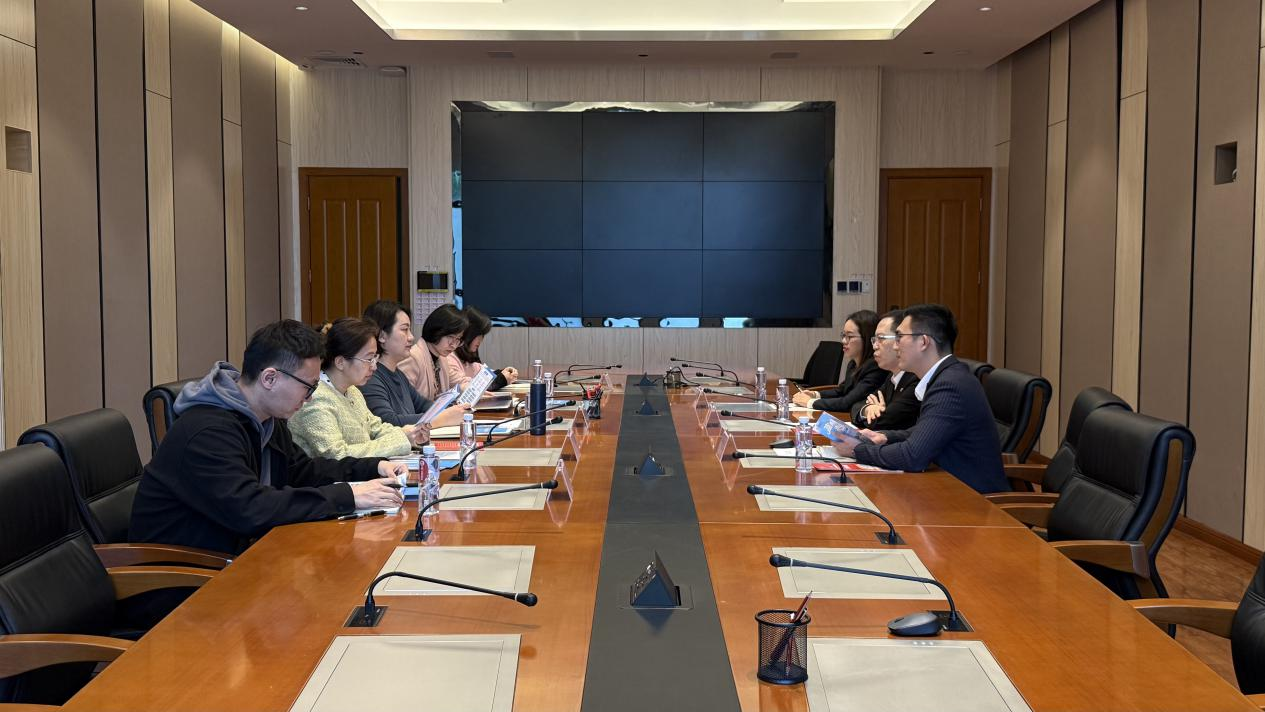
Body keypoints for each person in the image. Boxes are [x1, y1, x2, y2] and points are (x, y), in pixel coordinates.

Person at [130, 320, 406, 554]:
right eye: (308, 388)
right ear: (270, 378)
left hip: (247, 556)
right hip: (188, 578)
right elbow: (250, 508)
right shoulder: (206, 433)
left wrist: (373, 467)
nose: (310, 399)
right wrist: (349, 495)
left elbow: (303, 471)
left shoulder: (267, 420)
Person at [834, 304, 1008, 494]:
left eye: (900, 337)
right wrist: (885, 437)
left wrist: (857, 450)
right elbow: (925, 431)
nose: (895, 345)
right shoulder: (946, 376)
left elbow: (913, 456)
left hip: (972, 500)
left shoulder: (950, 385)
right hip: (946, 487)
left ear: (923, 342)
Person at [289, 317, 425, 459]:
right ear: (340, 362)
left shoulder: (352, 390)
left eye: (375, 358)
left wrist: (408, 434)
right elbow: (337, 455)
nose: (374, 366)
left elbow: (375, 428)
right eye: (368, 359)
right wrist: (399, 441)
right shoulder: (316, 398)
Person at [360, 299, 470, 428]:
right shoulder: (370, 377)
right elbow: (388, 421)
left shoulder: (398, 374)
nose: (411, 337)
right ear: (382, 336)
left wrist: (453, 411)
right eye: (404, 329)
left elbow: (423, 405)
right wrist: (442, 418)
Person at [792, 309, 885, 412]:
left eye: (849, 336)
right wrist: (815, 394)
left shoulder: (875, 367)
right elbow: (842, 390)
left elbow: (846, 403)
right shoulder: (853, 364)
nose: (843, 341)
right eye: (843, 335)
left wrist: (810, 402)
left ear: (867, 338)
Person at [850, 309, 920, 431]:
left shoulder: (916, 379)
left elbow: (883, 421)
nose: (874, 346)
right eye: (874, 340)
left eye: (881, 338)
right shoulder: (892, 377)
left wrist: (877, 413)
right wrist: (867, 409)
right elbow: (856, 406)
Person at [398, 304, 469, 401]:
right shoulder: (413, 357)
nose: (453, 345)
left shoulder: (442, 359)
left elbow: (461, 381)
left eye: (458, 339)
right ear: (436, 330)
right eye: (450, 337)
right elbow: (403, 401)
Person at [449, 305, 519, 391]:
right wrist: (502, 379)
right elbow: (469, 387)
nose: (481, 339)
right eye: (480, 334)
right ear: (469, 333)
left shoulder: (468, 359)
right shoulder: (450, 358)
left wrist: (503, 372)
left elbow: (485, 375)